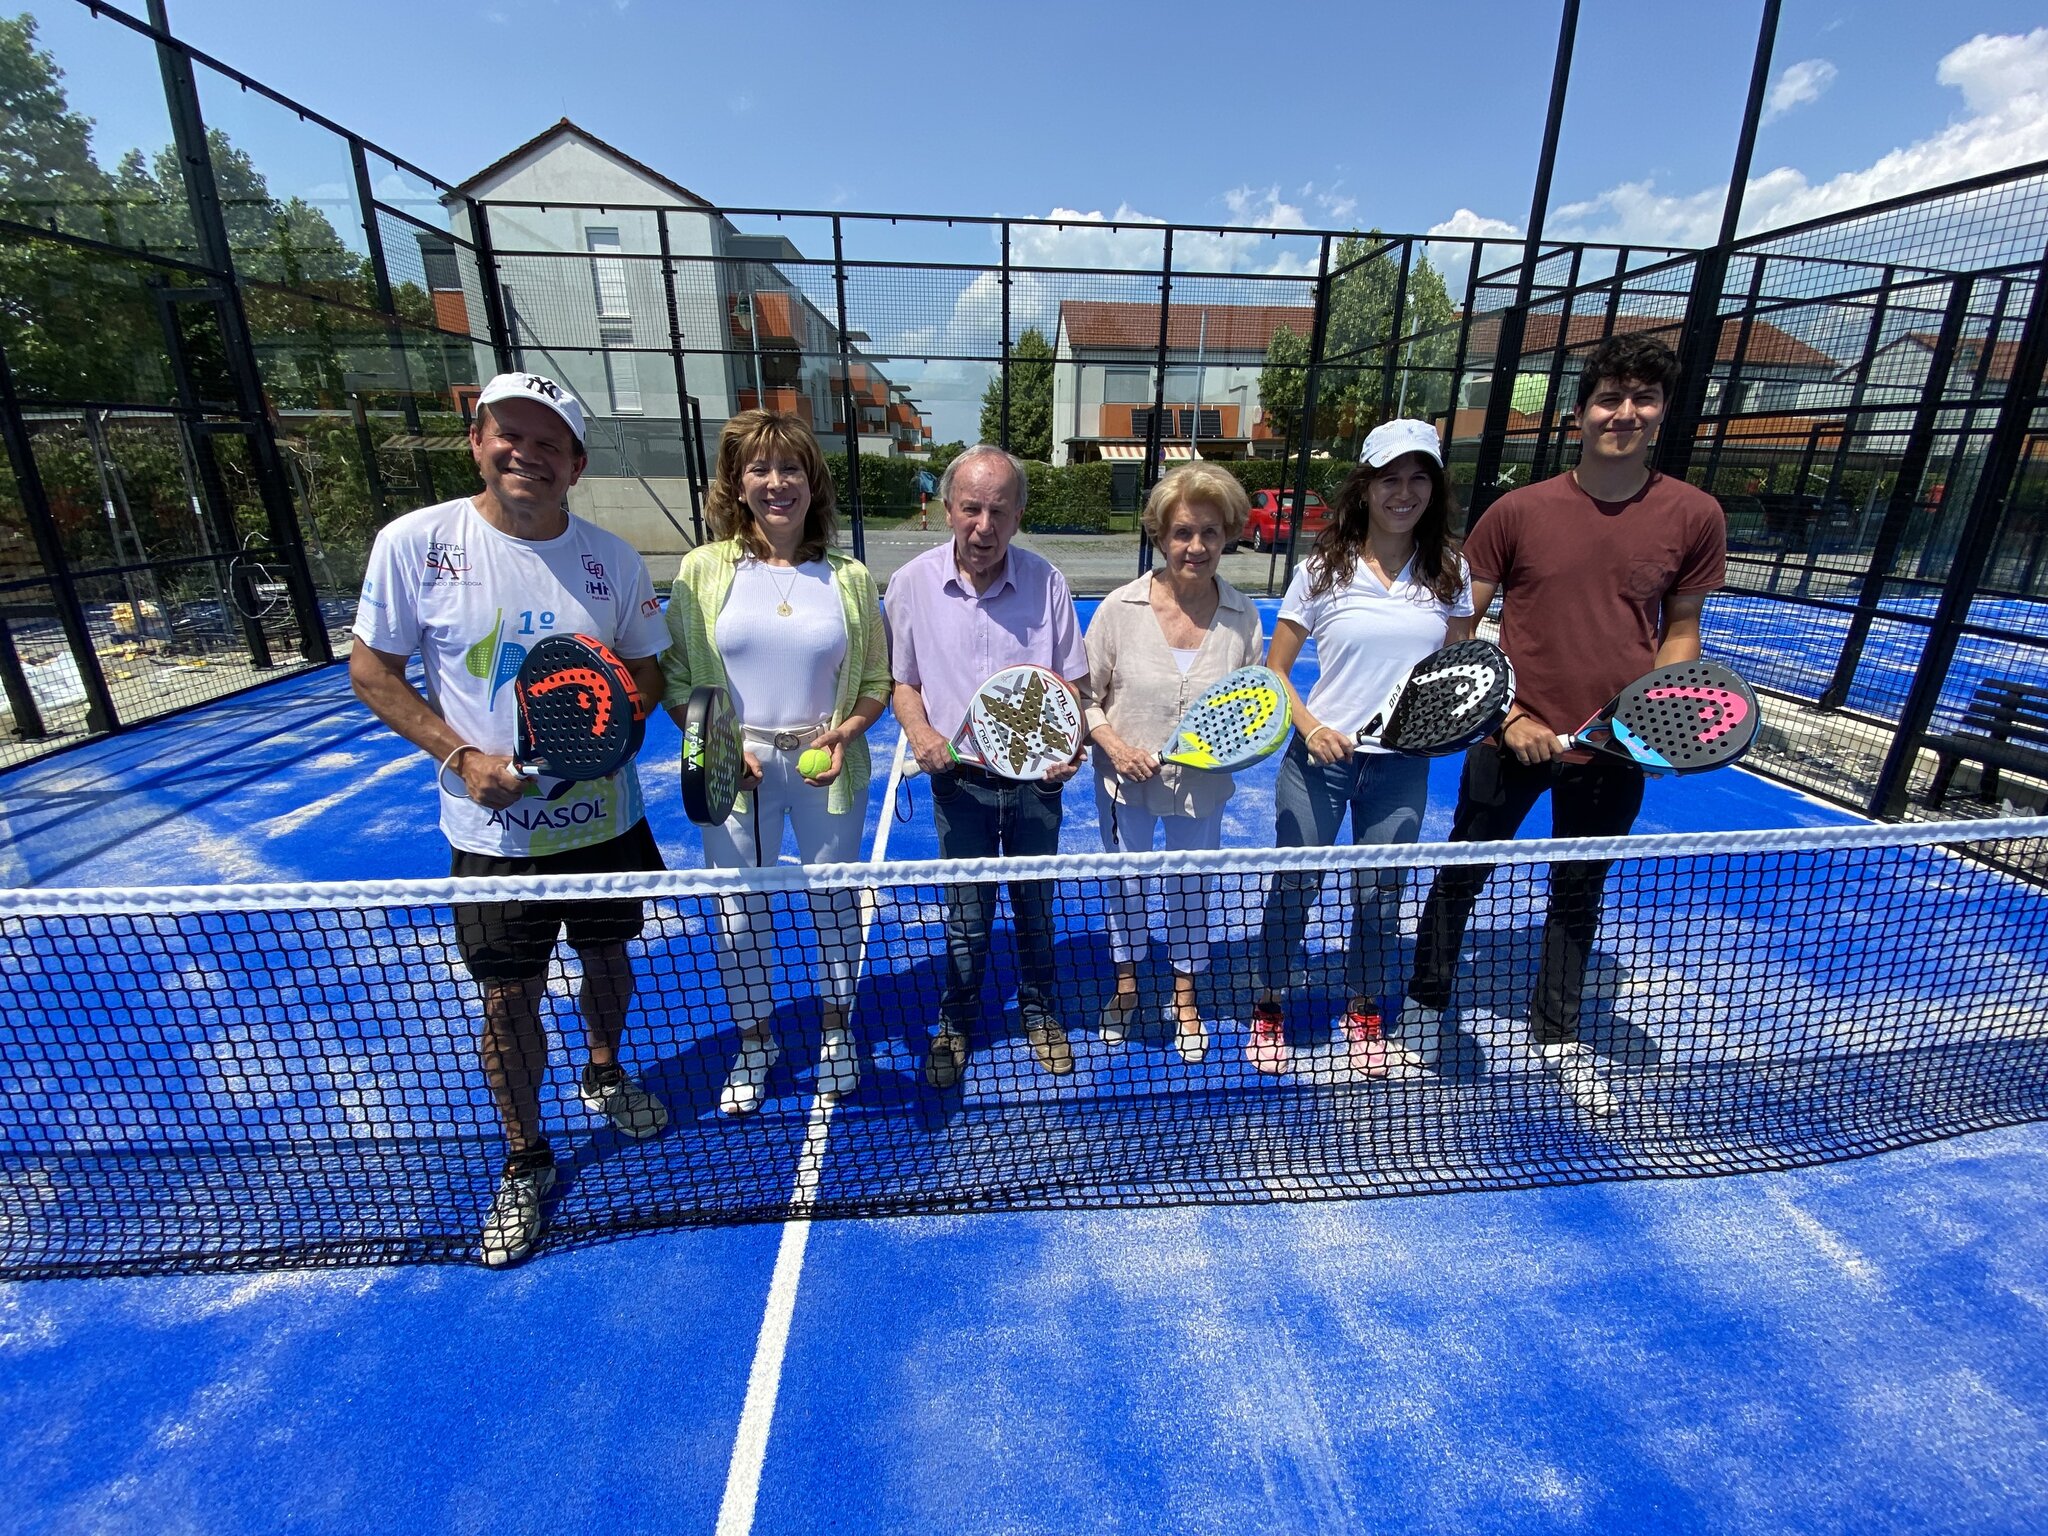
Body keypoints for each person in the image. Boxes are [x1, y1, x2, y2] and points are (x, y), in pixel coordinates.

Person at [349, 371, 671, 1269]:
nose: (525, 453)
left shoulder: (612, 559)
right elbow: (372, 671)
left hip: (606, 822)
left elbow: (645, 674)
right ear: (477, 441)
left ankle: (604, 1070)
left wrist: (617, 722)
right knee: (507, 996)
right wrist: (459, 756)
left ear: (576, 462)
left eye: (547, 442)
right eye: (508, 435)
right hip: (494, 841)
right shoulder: (417, 545)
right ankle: (526, 1157)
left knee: (610, 957)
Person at [1401, 333, 1726, 1115]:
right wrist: (1507, 716)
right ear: (1581, 413)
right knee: (1463, 872)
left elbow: (1682, 628)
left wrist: (1646, 717)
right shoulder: (1517, 513)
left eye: (1642, 400)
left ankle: (1556, 1033)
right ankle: (1424, 1002)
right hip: (1508, 735)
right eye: (1609, 398)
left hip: (1616, 749)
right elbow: (1462, 629)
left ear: (1661, 414)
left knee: (1580, 889)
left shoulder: (1695, 515)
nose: (1624, 413)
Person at [663, 410, 890, 1116]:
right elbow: (676, 680)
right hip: (734, 768)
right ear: (736, 481)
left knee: (834, 906)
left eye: (790, 467)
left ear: (811, 480)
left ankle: (834, 1032)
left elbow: (877, 682)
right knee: (739, 916)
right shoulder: (702, 570)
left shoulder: (849, 576)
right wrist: (724, 748)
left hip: (827, 766)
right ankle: (756, 1040)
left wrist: (846, 734)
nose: (776, 482)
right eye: (758, 468)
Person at [1251, 422, 1475, 1079]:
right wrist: (1314, 728)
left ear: (1433, 487)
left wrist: (1442, 728)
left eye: (1418, 477)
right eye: (1390, 477)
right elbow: (1275, 673)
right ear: (1366, 486)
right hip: (1319, 760)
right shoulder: (1321, 568)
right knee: (1295, 886)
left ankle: (1365, 1012)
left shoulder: (1449, 573)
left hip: (1402, 766)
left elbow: (1459, 673)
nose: (1404, 491)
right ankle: (1269, 1005)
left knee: (1381, 894)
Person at [888, 443, 1088, 1086]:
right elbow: (903, 682)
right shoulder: (911, 584)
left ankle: (1040, 1015)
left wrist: (1068, 746)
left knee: (1035, 908)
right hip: (958, 784)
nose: (984, 526)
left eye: (999, 511)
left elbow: (1071, 685)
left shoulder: (1047, 581)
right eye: (971, 508)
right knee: (968, 917)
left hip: (1035, 788)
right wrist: (920, 733)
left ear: (1019, 514)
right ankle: (956, 1021)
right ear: (947, 509)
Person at [1082, 462, 1263, 1064]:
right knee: (1126, 885)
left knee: (1193, 889)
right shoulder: (1118, 608)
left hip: (1201, 789)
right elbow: (1086, 697)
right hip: (1121, 782)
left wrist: (1225, 747)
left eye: (1210, 532)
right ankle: (1128, 988)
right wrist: (1114, 747)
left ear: (1228, 535)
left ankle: (1185, 999)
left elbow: (1249, 708)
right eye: (1183, 532)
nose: (1196, 546)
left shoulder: (1243, 618)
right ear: (1160, 536)